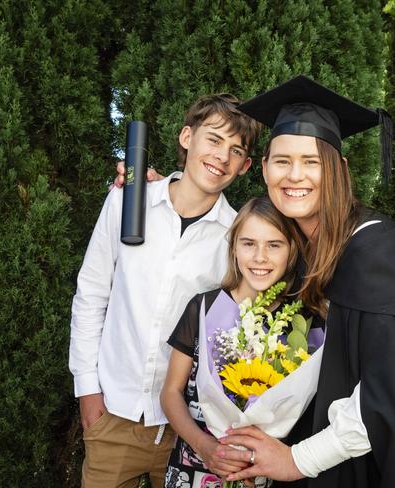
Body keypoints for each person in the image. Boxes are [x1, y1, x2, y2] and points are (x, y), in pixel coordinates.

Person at [215, 76, 395, 488]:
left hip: (371, 470)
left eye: (312, 162)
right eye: (281, 160)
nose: (295, 176)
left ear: (339, 168)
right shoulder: (297, 250)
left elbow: (385, 398)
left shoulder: (380, 255)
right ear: (266, 169)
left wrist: (295, 461)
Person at [69, 93, 260, 487]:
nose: (221, 157)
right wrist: (87, 390)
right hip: (114, 414)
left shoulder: (237, 238)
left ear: (245, 167)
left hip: (189, 430)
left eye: (235, 150)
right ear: (187, 137)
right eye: (213, 139)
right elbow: (91, 294)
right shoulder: (127, 201)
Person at [160, 196, 301, 487]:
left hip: (258, 476)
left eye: (274, 245)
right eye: (248, 243)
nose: (260, 257)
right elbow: (171, 393)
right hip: (192, 470)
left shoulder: (301, 326)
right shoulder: (202, 308)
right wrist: (204, 445)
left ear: (292, 250)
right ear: (234, 248)